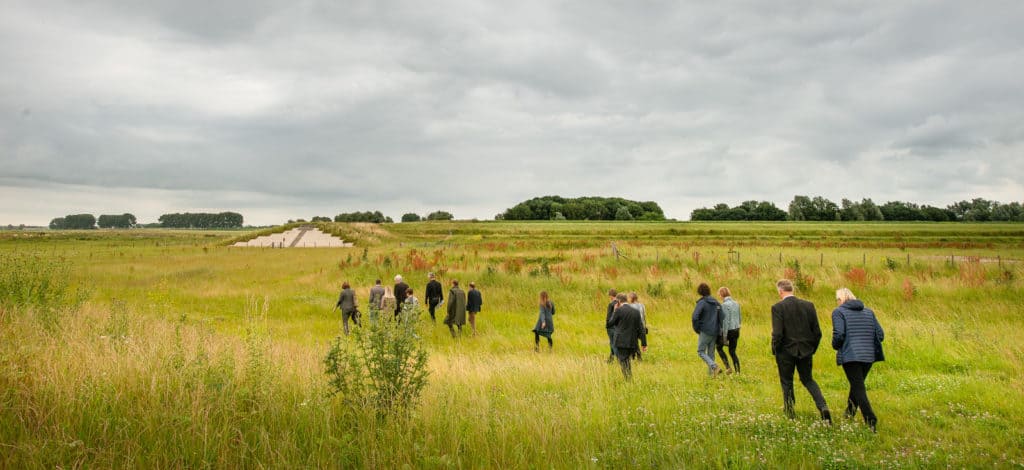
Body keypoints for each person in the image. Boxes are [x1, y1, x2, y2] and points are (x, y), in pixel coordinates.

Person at [772, 279, 831, 423]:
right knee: (808, 379)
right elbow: (817, 332)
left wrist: (775, 348)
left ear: (780, 291)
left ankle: (790, 412)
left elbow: (778, 333)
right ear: (792, 289)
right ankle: (822, 406)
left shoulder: (778, 307)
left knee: (787, 381)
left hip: (785, 350)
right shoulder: (808, 306)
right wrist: (812, 348)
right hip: (806, 350)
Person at [831, 287, 884, 432]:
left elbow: (839, 334)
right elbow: (880, 334)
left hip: (850, 355)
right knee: (857, 385)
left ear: (841, 299)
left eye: (837, 299)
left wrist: (836, 346)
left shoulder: (839, 312)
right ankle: (849, 414)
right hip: (868, 356)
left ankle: (870, 419)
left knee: (859, 388)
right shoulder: (869, 312)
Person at [607, 293, 647, 380]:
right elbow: (641, 328)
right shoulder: (636, 312)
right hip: (632, 342)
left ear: (618, 301)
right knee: (627, 360)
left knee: (623, 361)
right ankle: (628, 378)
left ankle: (628, 379)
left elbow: (609, 324)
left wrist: (614, 311)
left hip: (620, 341)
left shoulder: (618, 311)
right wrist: (644, 343)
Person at [692, 283, 723, 377]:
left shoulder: (702, 303)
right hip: (715, 332)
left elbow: (695, 317)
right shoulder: (716, 302)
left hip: (705, 331)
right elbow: (722, 316)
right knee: (711, 354)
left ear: (700, 291)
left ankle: (714, 366)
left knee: (700, 351)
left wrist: (697, 329)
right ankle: (712, 376)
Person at [715, 287, 742, 374]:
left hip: (728, 331)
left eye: (719, 294)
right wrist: (738, 329)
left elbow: (725, 321)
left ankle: (728, 367)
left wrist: (725, 336)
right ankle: (738, 372)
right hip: (736, 330)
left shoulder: (724, 306)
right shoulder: (736, 303)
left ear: (722, 294)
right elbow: (740, 318)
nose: (719, 296)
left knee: (719, 347)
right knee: (732, 351)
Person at [628, 292, 647, 361]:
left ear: (631, 298)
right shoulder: (642, 305)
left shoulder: (630, 306)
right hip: (641, 325)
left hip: (633, 326)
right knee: (637, 342)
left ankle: (636, 356)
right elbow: (644, 316)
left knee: (634, 341)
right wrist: (645, 326)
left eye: (629, 297)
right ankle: (636, 356)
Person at [605, 289, 619, 363]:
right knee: (613, 343)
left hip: (611, 327)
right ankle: (610, 359)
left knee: (613, 343)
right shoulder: (620, 303)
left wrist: (607, 325)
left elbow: (608, 317)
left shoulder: (611, 304)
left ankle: (619, 359)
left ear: (611, 296)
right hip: (618, 327)